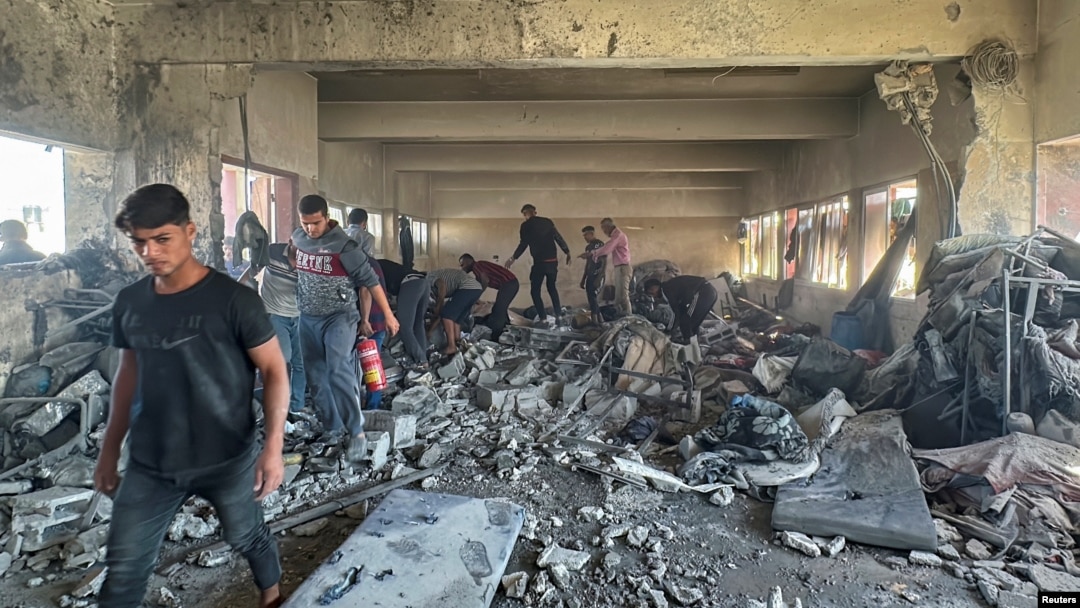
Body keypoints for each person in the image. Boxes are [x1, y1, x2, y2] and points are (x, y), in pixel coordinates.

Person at [94, 184, 289, 608]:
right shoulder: (131, 302)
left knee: (245, 535)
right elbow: (127, 375)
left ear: (190, 231)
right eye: (139, 242)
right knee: (124, 566)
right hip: (152, 461)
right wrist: (109, 450)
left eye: (162, 238)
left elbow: (275, 370)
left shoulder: (234, 301)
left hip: (227, 456)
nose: (150, 252)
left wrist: (273, 447)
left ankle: (272, 595)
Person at [291, 195, 399, 462]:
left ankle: (356, 431)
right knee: (315, 375)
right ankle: (332, 427)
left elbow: (371, 283)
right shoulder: (298, 237)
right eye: (305, 223)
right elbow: (294, 258)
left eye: (316, 223)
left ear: (327, 218)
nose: (310, 229)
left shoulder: (345, 246)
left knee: (338, 368)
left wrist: (388, 315)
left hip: (339, 317)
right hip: (308, 317)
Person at [504, 204, 570, 326]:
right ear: (535, 212)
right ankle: (559, 317)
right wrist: (567, 251)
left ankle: (543, 318)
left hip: (540, 263)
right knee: (552, 288)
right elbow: (558, 237)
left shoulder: (525, 226)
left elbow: (523, 244)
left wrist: (514, 257)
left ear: (525, 214)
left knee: (535, 291)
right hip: (552, 262)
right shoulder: (547, 222)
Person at [259, 241, 306, 413]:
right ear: (291, 242)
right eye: (299, 246)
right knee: (282, 359)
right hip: (275, 314)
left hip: (299, 316)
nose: (302, 250)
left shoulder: (309, 260)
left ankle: (296, 407)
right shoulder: (272, 251)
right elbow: (252, 270)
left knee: (300, 363)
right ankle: (276, 404)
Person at [459, 253, 519, 342]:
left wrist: (476, 295)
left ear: (469, 261)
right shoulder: (478, 269)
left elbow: (485, 281)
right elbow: (477, 286)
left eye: (462, 264)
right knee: (500, 310)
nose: (462, 268)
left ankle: (496, 337)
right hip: (509, 284)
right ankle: (507, 332)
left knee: (498, 311)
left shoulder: (477, 266)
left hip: (509, 284)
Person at [644, 276, 718, 343]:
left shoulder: (667, 290)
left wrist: (669, 330)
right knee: (693, 324)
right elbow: (680, 310)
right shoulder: (671, 287)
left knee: (685, 321)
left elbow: (675, 314)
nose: (653, 297)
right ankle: (695, 344)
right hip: (710, 291)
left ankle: (689, 344)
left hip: (702, 291)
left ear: (655, 288)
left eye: (651, 293)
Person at [428, 268, 484, 357]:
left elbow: (441, 285)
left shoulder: (428, 277)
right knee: (457, 319)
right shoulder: (441, 276)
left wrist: (439, 304)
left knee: (447, 315)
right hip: (476, 288)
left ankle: (451, 346)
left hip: (467, 287)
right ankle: (458, 342)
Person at [358, 257, 388, 410]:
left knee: (356, 367)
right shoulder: (373, 262)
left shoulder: (359, 262)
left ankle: (355, 405)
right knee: (373, 366)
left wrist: (365, 320)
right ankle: (373, 406)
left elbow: (365, 290)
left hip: (367, 324)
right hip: (379, 321)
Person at [587, 218, 631, 317]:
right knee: (619, 297)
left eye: (603, 228)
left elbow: (607, 249)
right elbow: (607, 246)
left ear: (608, 226)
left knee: (623, 296)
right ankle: (622, 316)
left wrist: (593, 253)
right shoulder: (615, 236)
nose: (604, 231)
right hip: (620, 267)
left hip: (623, 267)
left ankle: (628, 317)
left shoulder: (618, 235)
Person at [395, 270, 431, 370]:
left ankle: (421, 361)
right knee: (418, 323)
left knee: (404, 327)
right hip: (424, 283)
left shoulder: (371, 269)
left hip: (410, 284)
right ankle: (424, 360)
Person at [579, 226, 607, 325]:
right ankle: (600, 320)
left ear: (591, 234)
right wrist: (583, 278)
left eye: (586, 235)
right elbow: (588, 264)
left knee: (593, 297)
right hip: (590, 276)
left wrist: (599, 277)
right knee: (591, 298)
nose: (584, 237)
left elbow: (604, 261)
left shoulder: (599, 244)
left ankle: (595, 320)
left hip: (597, 275)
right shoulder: (588, 247)